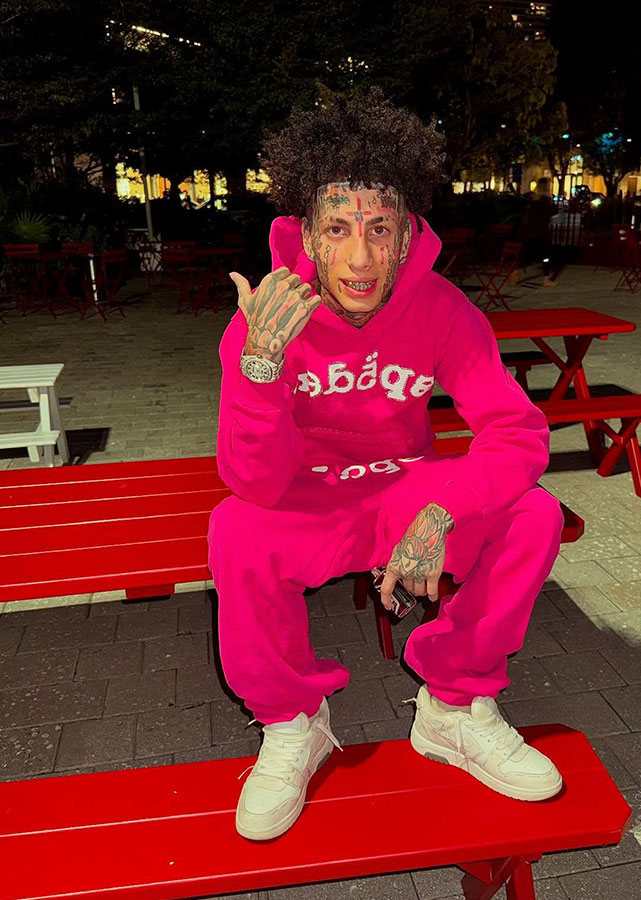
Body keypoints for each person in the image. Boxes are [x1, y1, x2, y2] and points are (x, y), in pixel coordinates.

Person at [207, 89, 565, 842]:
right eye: (337, 228)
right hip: (310, 495)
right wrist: (262, 369)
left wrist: (442, 512)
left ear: (407, 236)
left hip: (409, 487)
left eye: (380, 227)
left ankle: (454, 707)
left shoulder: (441, 309)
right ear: (307, 231)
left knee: (532, 513)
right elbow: (254, 481)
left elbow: (518, 433)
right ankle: (293, 721)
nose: (361, 257)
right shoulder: (270, 318)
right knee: (237, 528)